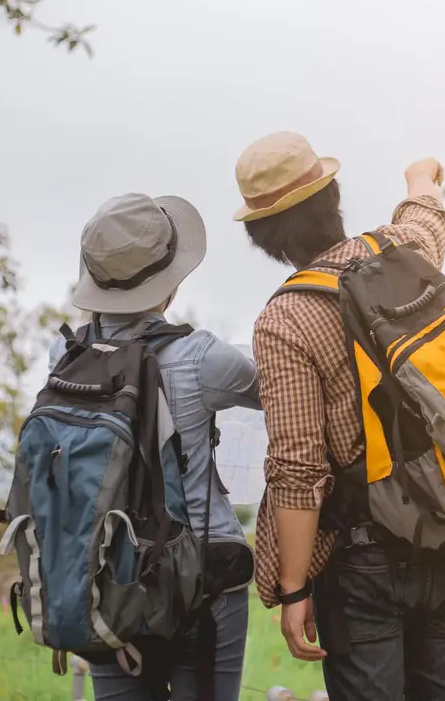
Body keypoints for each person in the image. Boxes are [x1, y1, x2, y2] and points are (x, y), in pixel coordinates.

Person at [236, 131, 445, 701]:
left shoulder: (286, 320)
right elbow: (428, 218)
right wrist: (420, 175)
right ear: (332, 197)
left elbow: (297, 468)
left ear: (263, 236)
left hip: (362, 557)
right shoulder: (403, 253)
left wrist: (293, 589)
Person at [49, 192, 263, 701]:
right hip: (201, 581)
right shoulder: (203, 358)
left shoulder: (65, 353)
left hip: (103, 577)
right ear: (168, 284)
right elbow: (281, 392)